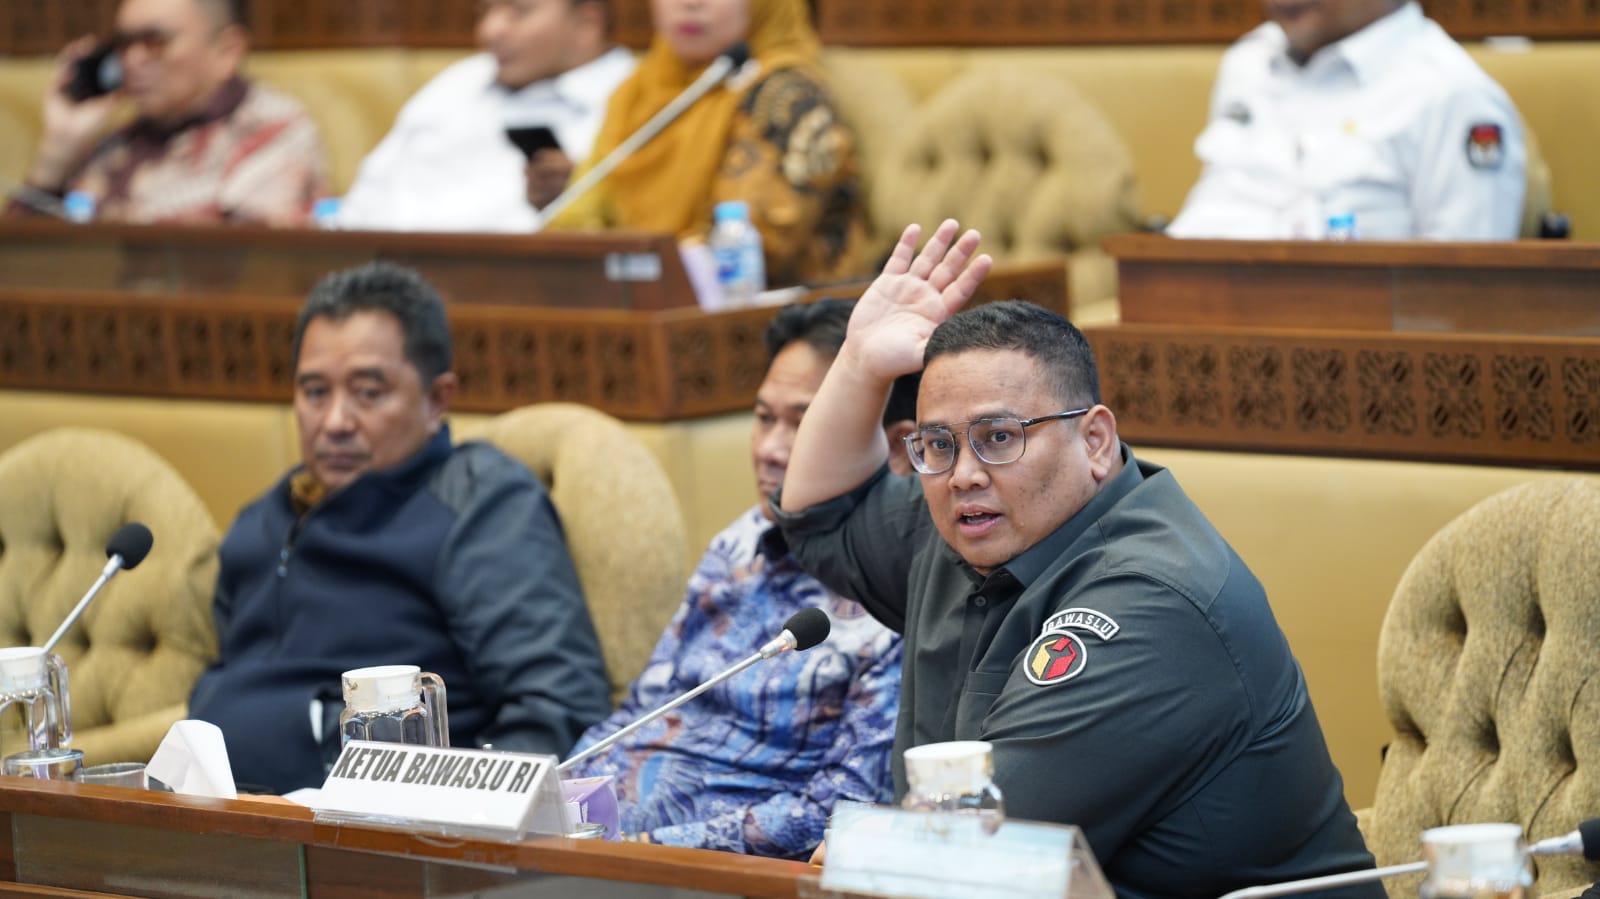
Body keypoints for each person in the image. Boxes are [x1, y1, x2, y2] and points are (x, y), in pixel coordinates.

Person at [775, 220, 1384, 899]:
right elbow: (820, 517)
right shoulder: (973, 520)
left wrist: (864, 849)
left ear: (1094, 441)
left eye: (999, 436)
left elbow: (967, 858)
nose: (964, 473)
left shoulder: (1150, 603)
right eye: (939, 444)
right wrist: (859, 365)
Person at [188, 261, 611, 793]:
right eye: (315, 392)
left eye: (368, 393)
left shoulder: (481, 505)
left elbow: (561, 709)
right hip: (215, 808)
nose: (335, 422)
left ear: (437, 399)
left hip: (373, 823)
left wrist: (457, 811)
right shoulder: (263, 516)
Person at [564, 299, 909, 857]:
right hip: (588, 849)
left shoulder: (900, 593)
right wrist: (548, 802)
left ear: (896, 449)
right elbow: (639, 712)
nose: (769, 450)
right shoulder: (741, 540)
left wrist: (641, 848)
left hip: (696, 873)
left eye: (804, 423)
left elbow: (841, 813)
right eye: (765, 418)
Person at [543, 0, 869, 287]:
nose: (690, 3)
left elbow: (750, 246)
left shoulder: (786, 98)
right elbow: (579, 214)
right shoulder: (636, 94)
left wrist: (625, 265)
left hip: (782, 317)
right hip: (636, 301)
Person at [1166, 0, 1526, 240]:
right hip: (1181, 305)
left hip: (1330, 326)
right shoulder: (1248, 61)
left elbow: (1467, 293)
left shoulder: (1452, 93)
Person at [7, 0, 327, 225]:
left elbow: (242, 263)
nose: (132, 60)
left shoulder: (272, 130)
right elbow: (18, 269)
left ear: (227, 51)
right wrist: (58, 154)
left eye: (155, 42)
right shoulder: (116, 142)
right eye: (123, 43)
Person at [335, 0, 635, 232]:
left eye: (519, 11)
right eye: (485, 10)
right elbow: (364, 198)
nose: (490, 30)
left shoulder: (635, 103)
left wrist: (587, 198)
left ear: (587, 22)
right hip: (378, 274)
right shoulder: (460, 80)